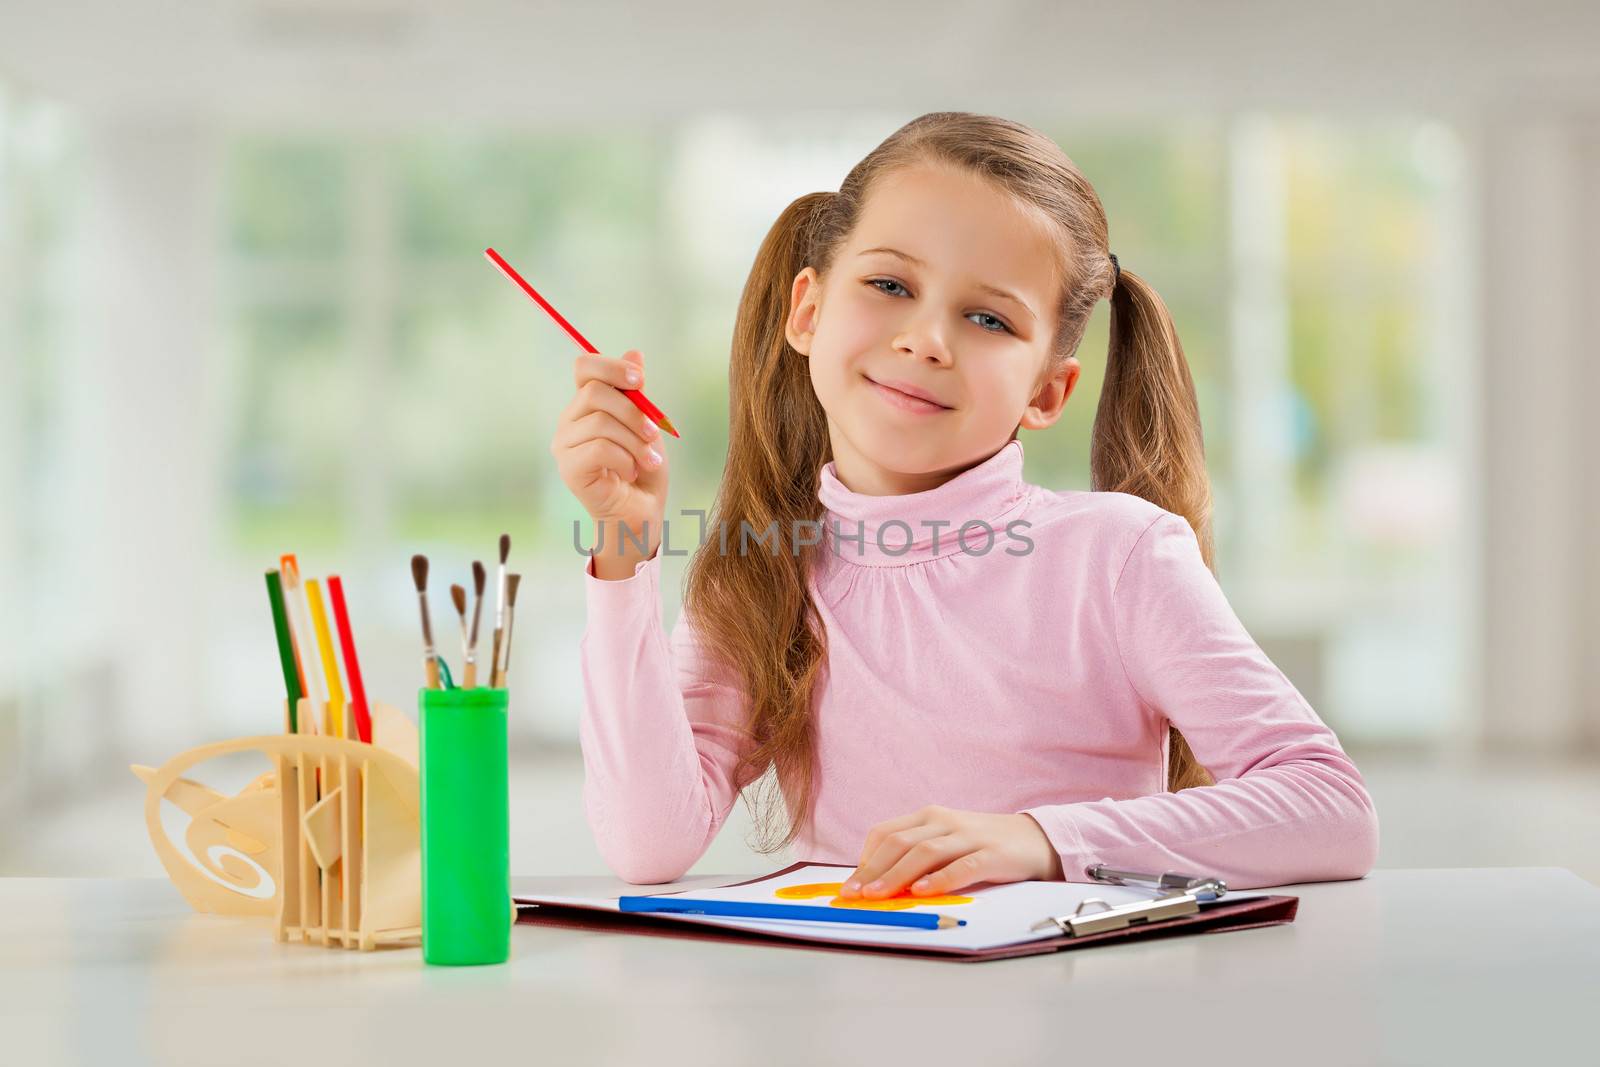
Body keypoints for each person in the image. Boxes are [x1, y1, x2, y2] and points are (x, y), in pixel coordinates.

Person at [549, 111, 1379, 896]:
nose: (927, 340)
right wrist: (623, 551)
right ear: (808, 309)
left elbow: (1330, 809)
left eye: (987, 317)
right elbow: (647, 843)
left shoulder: (1118, 556)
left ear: (1048, 390)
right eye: (888, 283)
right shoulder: (762, 568)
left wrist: (1040, 840)